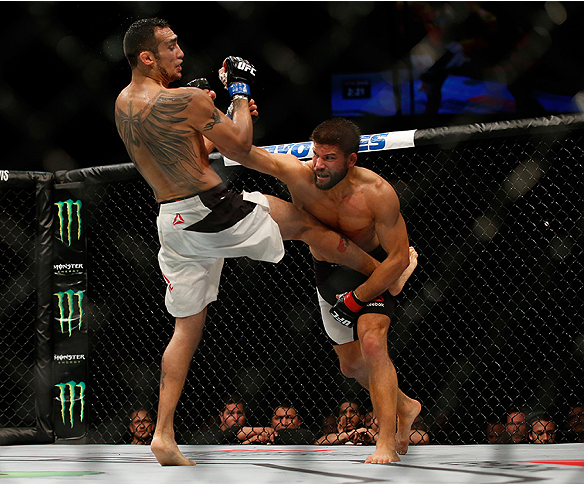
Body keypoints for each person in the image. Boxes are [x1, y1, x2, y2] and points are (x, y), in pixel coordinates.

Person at [115, 19, 404, 466]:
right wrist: (240, 93)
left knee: (185, 329)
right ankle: (387, 274)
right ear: (148, 56)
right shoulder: (186, 99)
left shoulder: (123, 104)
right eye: (171, 46)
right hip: (211, 210)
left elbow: (183, 152)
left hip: (170, 225)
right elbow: (238, 148)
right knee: (308, 224)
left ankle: (163, 434)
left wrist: (201, 118)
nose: (180, 53)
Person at [227, 118, 422, 463]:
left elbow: (394, 258)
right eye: (316, 155)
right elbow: (243, 152)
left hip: (371, 271)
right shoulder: (298, 174)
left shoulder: (377, 193)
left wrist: (359, 297)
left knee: (373, 343)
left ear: (351, 160)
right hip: (328, 272)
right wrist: (221, 116)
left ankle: (386, 442)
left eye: (329, 158)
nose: (318, 164)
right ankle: (405, 406)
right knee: (351, 367)